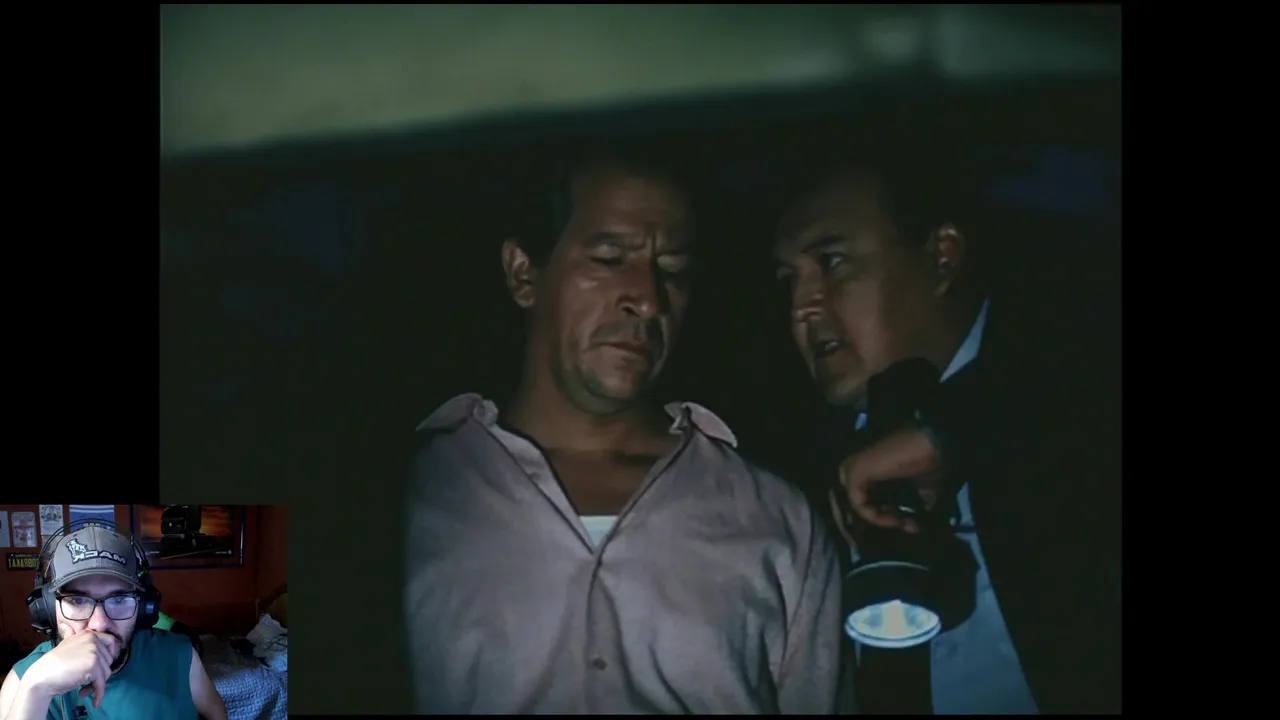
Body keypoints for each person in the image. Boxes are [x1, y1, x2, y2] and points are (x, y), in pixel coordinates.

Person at [403, 144, 846, 714]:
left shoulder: (777, 515)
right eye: (610, 259)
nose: (647, 298)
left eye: (672, 271)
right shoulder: (403, 501)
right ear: (523, 273)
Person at [771, 145, 1120, 714]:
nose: (801, 306)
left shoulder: (1076, 371)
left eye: (831, 262)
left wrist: (951, 430)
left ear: (942, 257)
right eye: (789, 280)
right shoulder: (793, 480)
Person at [0, 524, 228, 720]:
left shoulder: (180, 657)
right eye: (77, 600)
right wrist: (36, 690)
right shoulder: (24, 681)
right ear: (48, 609)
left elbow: (218, 714)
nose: (99, 624)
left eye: (119, 599)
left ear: (143, 607)